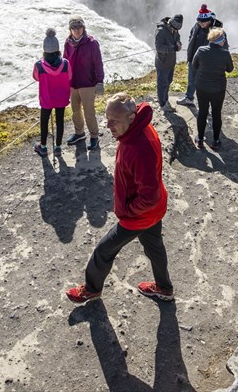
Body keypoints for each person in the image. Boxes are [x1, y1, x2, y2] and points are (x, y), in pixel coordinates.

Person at [66, 94, 173, 304]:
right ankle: (164, 288)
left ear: (132, 117)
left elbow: (148, 197)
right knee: (154, 247)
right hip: (154, 210)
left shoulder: (139, 147)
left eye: (114, 121)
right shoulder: (136, 129)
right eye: (106, 120)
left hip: (140, 215)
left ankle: (91, 289)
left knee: (103, 251)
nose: (108, 126)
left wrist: (127, 211)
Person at [63, 17, 105, 151]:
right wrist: (63, 80)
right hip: (72, 84)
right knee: (75, 111)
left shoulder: (92, 43)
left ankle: (94, 136)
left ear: (83, 28)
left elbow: (98, 63)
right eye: (73, 28)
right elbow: (64, 62)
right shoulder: (67, 43)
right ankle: (79, 133)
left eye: (79, 27)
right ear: (70, 29)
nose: (76, 30)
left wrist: (99, 81)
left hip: (87, 84)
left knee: (89, 112)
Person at [190, 28, 234, 149]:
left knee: (202, 113)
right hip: (218, 89)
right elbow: (230, 69)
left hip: (202, 87)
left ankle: (199, 140)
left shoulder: (201, 50)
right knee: (216, 114)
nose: (224, 41)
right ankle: (215, 141)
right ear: (220, 40)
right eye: (223, 39)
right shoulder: (225, 53)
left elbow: (194, 65)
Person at [33, 29, 72, 157]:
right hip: (61, 97)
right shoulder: (65, 63)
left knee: (44, 122)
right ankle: (58, 147)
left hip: (46, 98)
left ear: (44, 50)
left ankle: (43, 147)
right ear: (58, 49)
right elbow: (69, 77)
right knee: (59, 121)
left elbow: (36, 77)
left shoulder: (39, 65)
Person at [178, 5, 223, 107]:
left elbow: (221, 46)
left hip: (206, 62)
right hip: (193, 58)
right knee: (191, 80)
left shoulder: (215, 30)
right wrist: (190, 43)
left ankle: (205, 106)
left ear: (209, 20)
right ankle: (189, 98)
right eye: (199, 21)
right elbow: (191, 34)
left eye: (204, 22)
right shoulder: (197, 25)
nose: (201, 23)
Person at [154, 14, 183, 112]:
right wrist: (173, 48)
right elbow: (159, 48)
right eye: (174, 29)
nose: (175, 31)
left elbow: (177, 37)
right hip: (162, 63)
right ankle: (162, 104)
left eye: (177, 29)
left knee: (168, 82)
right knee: (162, 84)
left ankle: (165, 100)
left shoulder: (175, 29)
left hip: (171, 62)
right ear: (170, 24)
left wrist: (178, 43)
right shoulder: (161, 31)